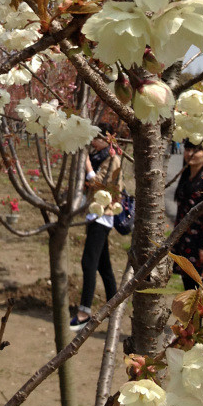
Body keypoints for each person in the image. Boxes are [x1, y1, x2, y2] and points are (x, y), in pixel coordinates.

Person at [70, 125, 122, 330]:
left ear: (106, 140)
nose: (93, 141)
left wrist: (88, 167)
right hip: (94, 214)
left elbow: (103, 184)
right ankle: (114, 305)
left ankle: (84, 312)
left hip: (103, 216)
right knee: (103, 265)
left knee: (88, 262)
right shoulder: (98, 155)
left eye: (97, 137)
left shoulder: (113, 159)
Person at [172, 141, 203, 288]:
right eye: (187, 149)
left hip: (200, 244)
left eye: (196, 150)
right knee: (189, 288)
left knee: (201, 291)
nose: (190, 153)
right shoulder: (186, 177)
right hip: (186, 242)